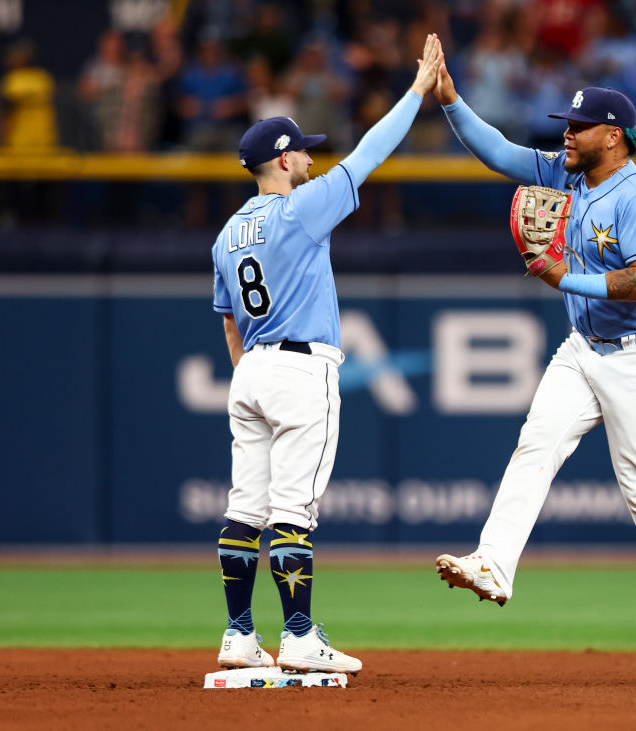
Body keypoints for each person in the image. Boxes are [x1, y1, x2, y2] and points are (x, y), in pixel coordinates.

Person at [430, 43, 636, 677]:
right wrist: (450, 100)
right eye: (568, 127)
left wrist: (566, 280)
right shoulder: (569, 173)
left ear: (613, 136)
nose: (568, 136)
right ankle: (493, 564)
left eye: (579, 128)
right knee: (536, 445)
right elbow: (500, 155)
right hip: (584, 350)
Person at [211, 34, 442, 674]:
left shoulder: (228, 234)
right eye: (303, 151)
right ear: (282, 162)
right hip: (301, 368)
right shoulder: (300, 210)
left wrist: (251, 380)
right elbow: (370, 154)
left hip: (251, 371)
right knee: (292, 513)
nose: (312, 158)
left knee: (243, 509)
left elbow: (229, 323)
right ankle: (301, 636)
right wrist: (417, 91)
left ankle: (236, 634)